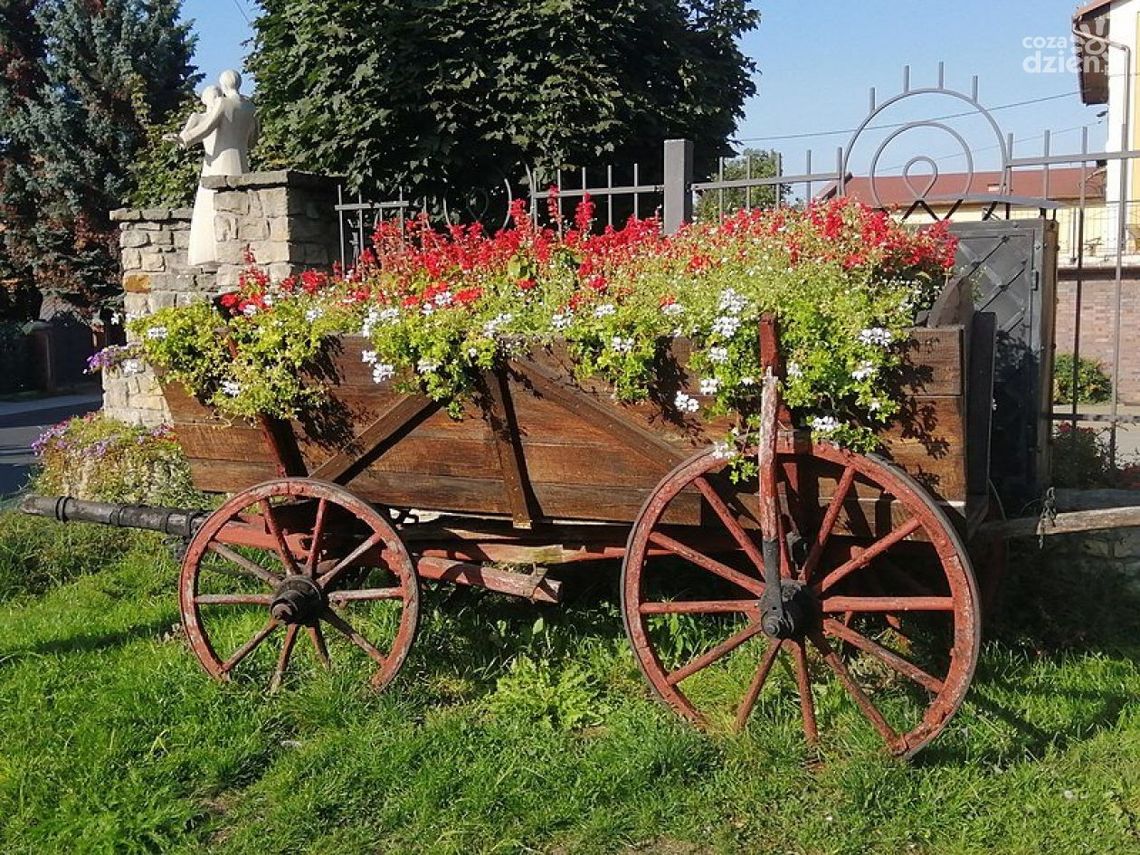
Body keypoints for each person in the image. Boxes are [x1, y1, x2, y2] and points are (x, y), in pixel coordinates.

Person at [168, 71, 259, 265]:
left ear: (223, 85)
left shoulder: (223, 103)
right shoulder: (250, 106)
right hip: (242, 163)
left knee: (212, 205)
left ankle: (212, 254)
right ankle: (243, 254)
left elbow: (207, 127)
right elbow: (253, 141)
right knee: (242, 207)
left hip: (219, 164)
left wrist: (183, 138)